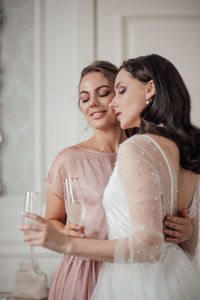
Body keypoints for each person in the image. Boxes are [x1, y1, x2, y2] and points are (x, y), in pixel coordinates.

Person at [21, 55, 199, 300]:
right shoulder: (69, 159)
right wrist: (65, 233)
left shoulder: (144, 150)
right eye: (84, 98)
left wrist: (187, 230)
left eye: (108, 92)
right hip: (85, 270)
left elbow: (155, 242)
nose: (94, 103)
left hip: (135, 271)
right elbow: (52, 219)